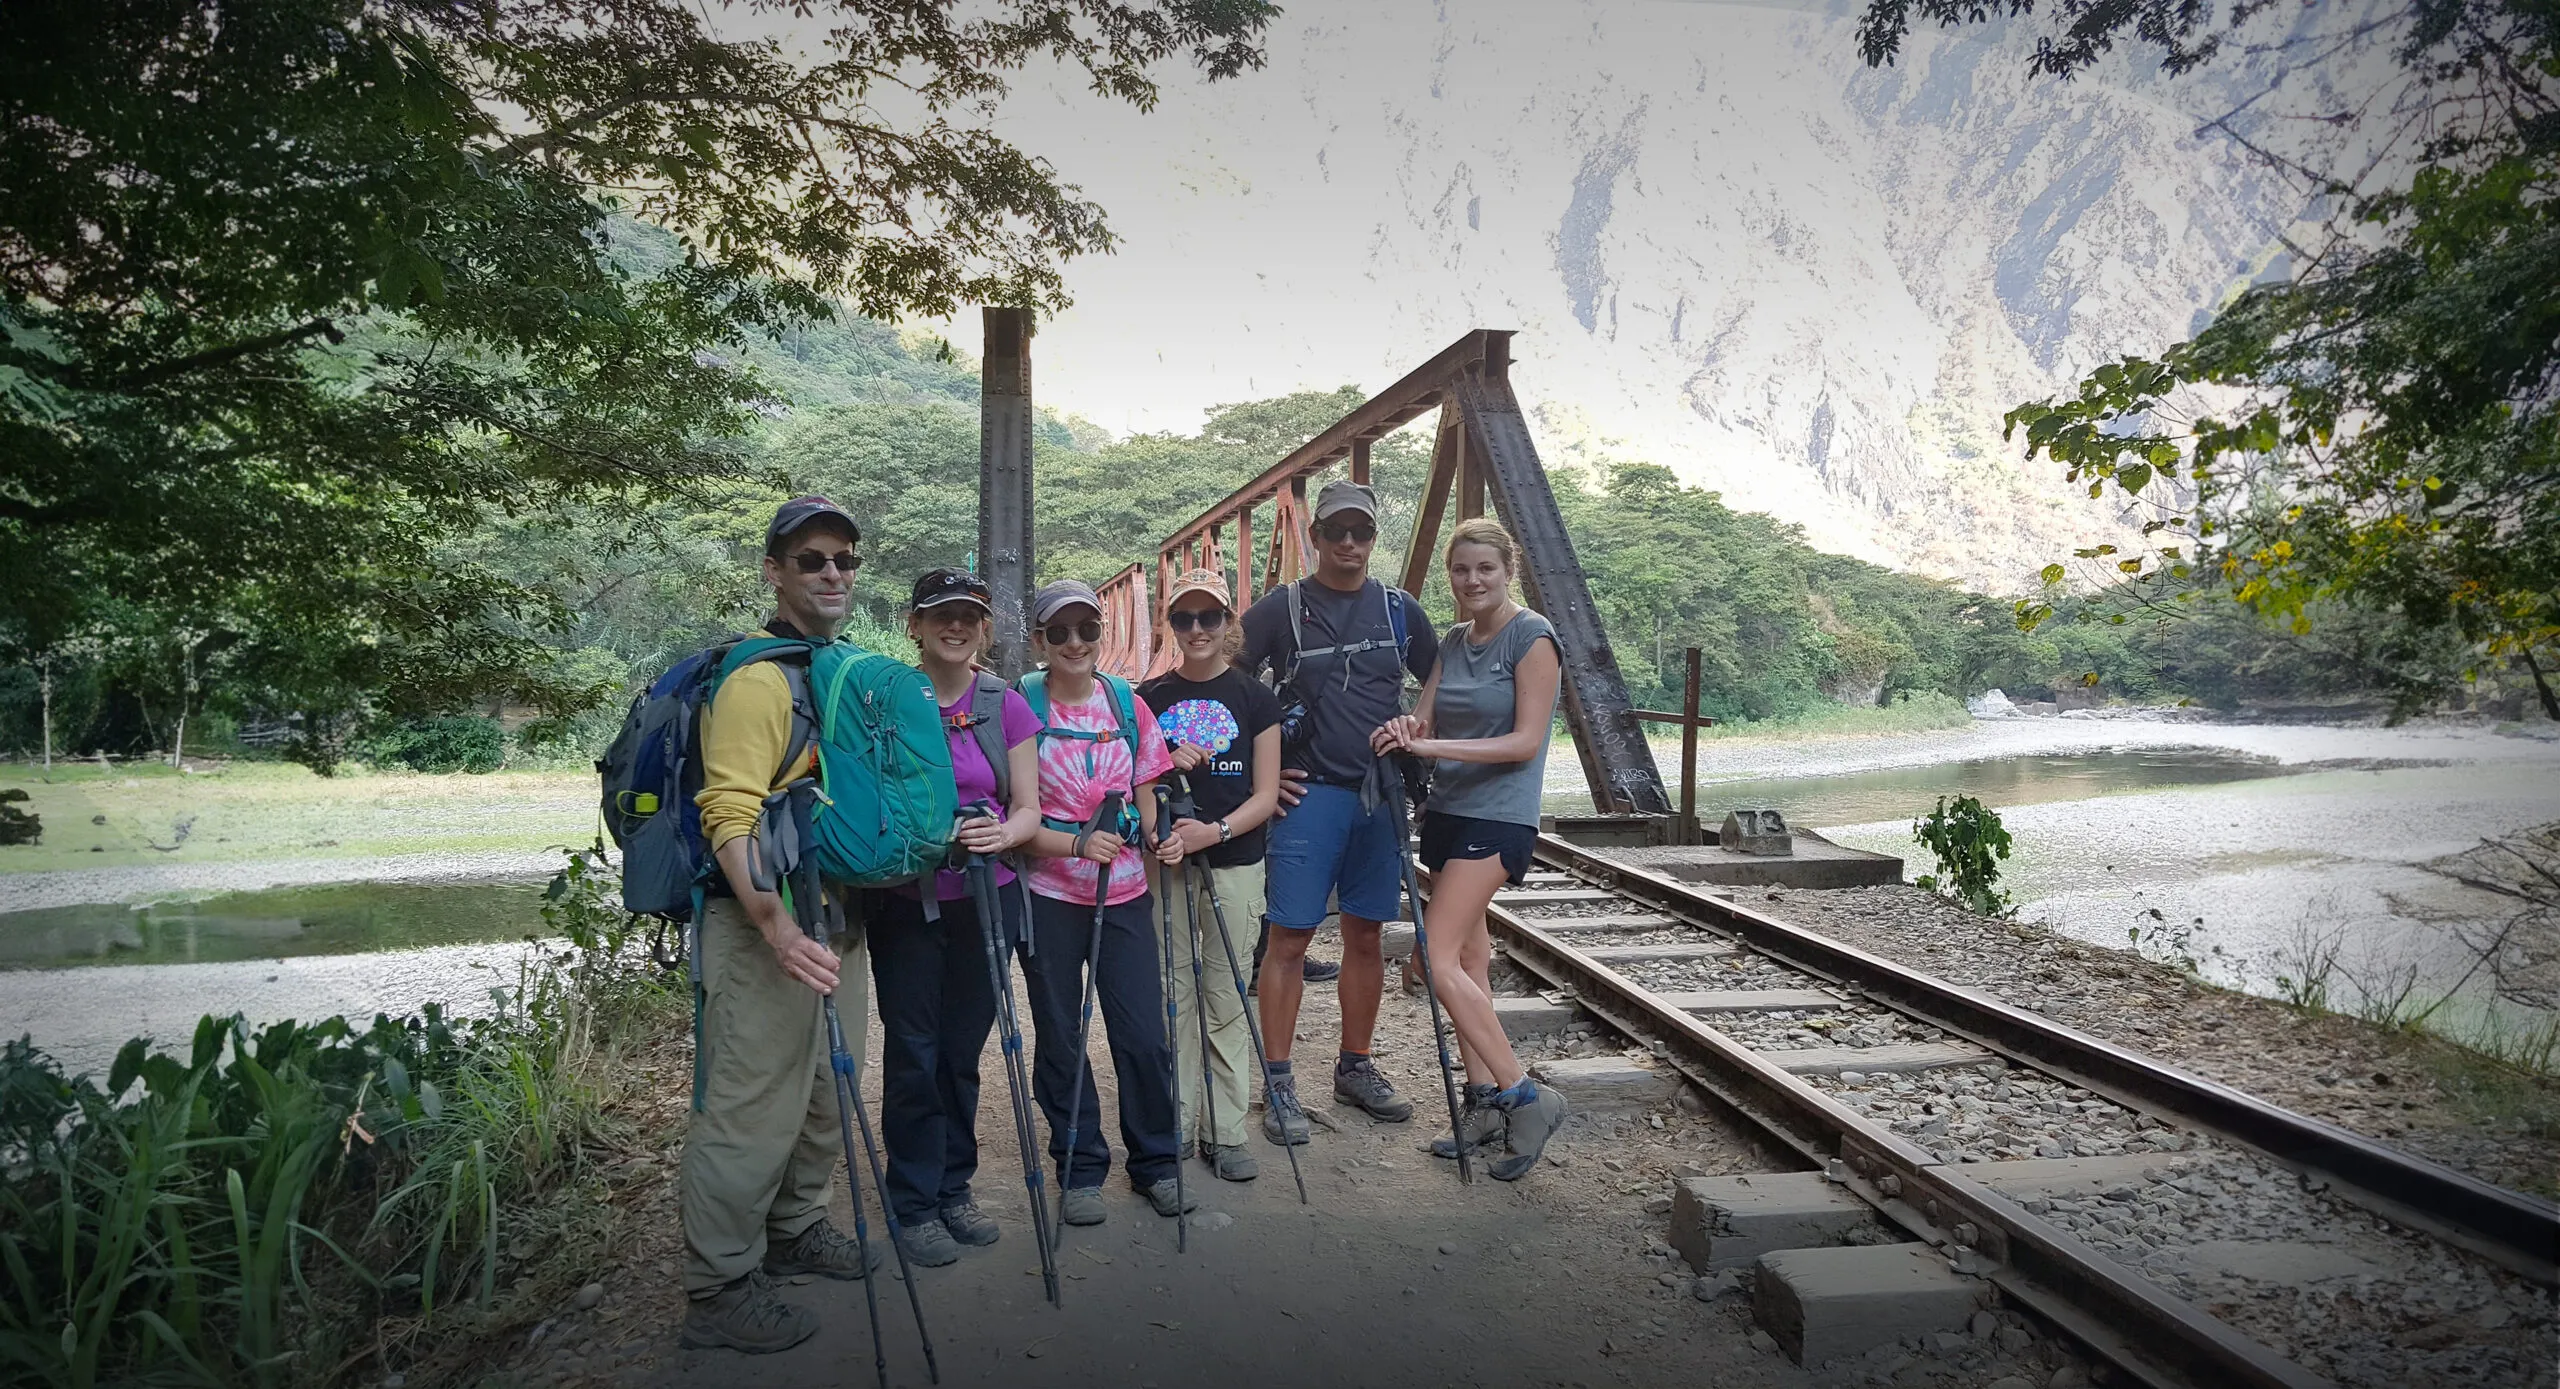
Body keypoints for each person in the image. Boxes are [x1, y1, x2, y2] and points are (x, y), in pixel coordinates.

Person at [679, 495, 880, 1353]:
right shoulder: (760, 680)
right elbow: (727, 808)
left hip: (830, 918)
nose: (832, 572)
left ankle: (796, 1229)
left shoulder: (832, 671)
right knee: (751, 1102)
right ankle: (719, 1285)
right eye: (811, 560)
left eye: (844, 559)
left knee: (828, 1090)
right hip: (764, 923)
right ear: (775, 571)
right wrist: (772, 923)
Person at [1237, 478, 1441, 1145]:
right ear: (1315, 536)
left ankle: (1355, 1066)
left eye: (1362, 532)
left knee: (1364, 935)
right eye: (1337, 531)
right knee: (1291, 937)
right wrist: (1264, 774)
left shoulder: (1400, 609)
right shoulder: (1281, 607)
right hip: (1310, 796)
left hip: (1380, 796)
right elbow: (1232, 690)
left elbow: (1439, 673)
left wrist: (1420, 724)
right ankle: (1278, 1078)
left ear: (1373, 537)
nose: (1350, 543)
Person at [1374, 517, 1572, 1180]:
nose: (1471, 580)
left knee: (1433, 955)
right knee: (1468, 957)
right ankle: (1483, 1100)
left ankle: (1524, 1093)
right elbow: (1423, 719)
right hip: (1449, 814)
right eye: (1461, 570)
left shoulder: (1532, 637)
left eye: (1484, 568)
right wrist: (1408, 729)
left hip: (1500, 817)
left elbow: (1524, 741)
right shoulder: (1455, 640)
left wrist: (1429, 747)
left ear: (1507, 569)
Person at [869, 567, 1043, 1267]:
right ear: (914, 623)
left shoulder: (1004, 703)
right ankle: (912, 1200)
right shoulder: (886, 698)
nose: (956, 624)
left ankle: (953, 1185)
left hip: (985, 894)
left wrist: (1003, 833)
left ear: (985, 628)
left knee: (963, 1048)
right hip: (905, 901)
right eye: (941, 613)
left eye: (969, 614)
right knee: (913, 1049)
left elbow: (1028, 805)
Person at [1014, 578, 1197, 1224]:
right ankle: (1080, 1165)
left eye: (1087, 629)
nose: (1075, 642)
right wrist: (1071, 845)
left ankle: (1154, 1160)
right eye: (1059, 631)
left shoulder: (1126, 702)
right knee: (1062, 1037)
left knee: (1143, 1034)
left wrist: (1157, 833)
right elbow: (1015, 815)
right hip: (1048, 897)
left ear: (1100, 634)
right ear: (1039, 640)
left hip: (1123, 895)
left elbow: (1148, 780)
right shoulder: (1022, 707)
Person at [1139, 568, 1282, 1182]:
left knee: (1225, 996)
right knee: (1171, 991)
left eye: (1209, 618)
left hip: (1234, 861)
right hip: (1168, 861)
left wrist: (1215, 831)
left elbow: (1267, 793)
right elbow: (1134, 783)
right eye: (1183, 619)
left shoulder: (1255, 698)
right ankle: (1174, 1122)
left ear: (1228, 625)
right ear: (1171, 626)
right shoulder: (1147, 698)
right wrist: (1164, 774)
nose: (1196, 630)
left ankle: (1224, 1131)